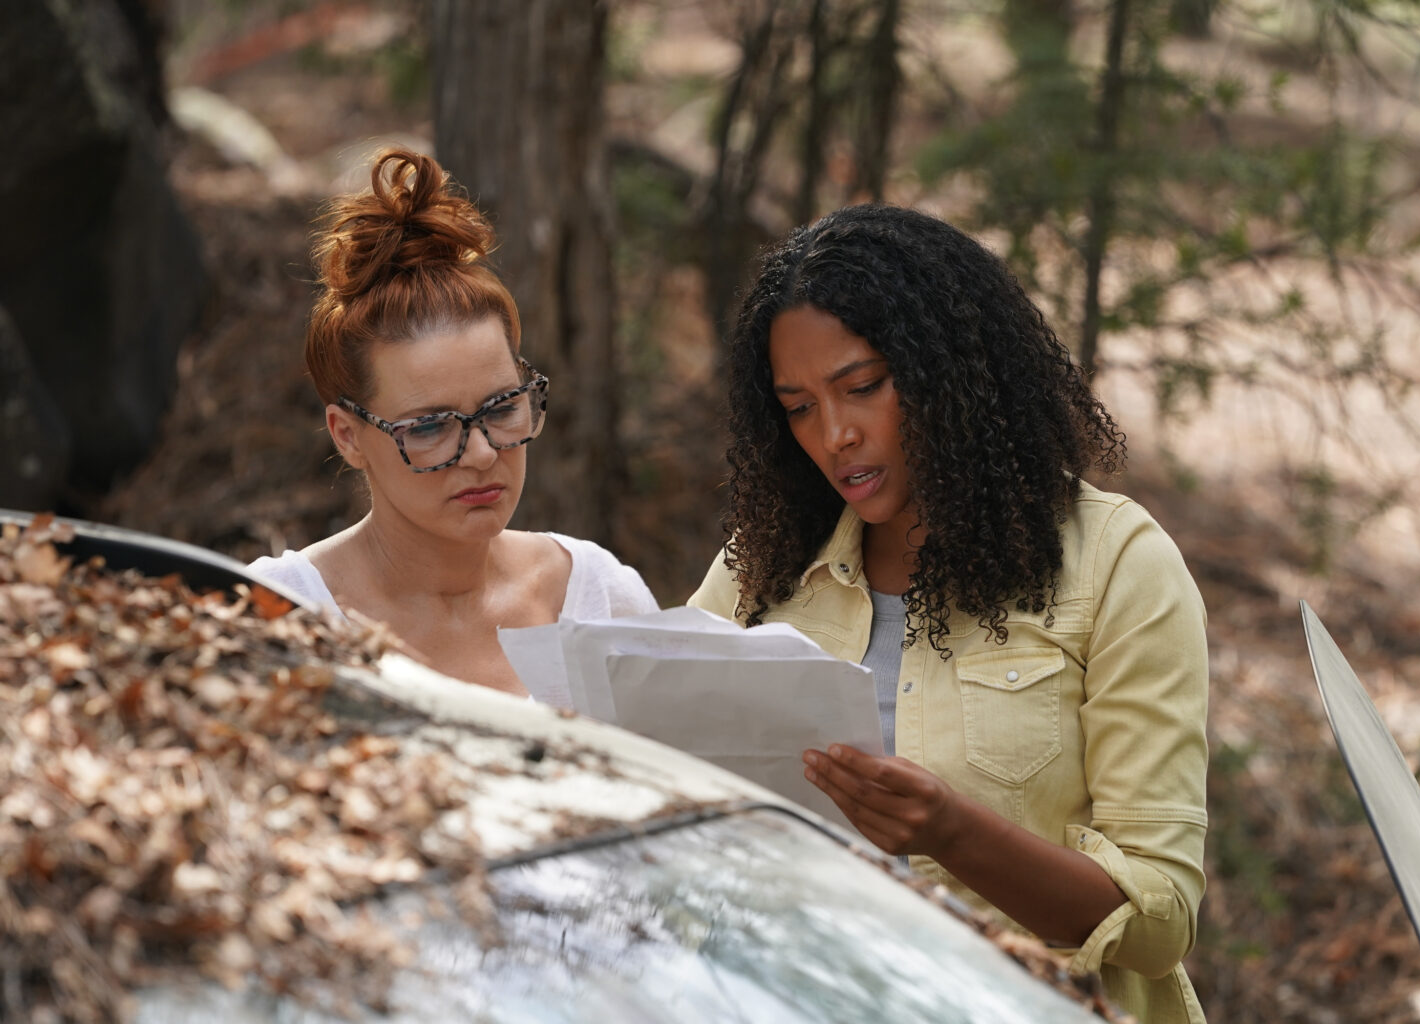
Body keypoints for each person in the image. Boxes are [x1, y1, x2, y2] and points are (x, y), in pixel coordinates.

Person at [689, 204, 1209, 1023]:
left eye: (862, 387)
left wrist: (951, 833)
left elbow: (1159, 921)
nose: (835, 435)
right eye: (798, 407)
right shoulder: (763, 567)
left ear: (951, 372)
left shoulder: (1116, 565)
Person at [251, 149, 656, 695]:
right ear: (348, 435)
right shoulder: (278, 615)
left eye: (502, 407)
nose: (483, 454)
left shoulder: (596, 597)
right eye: (429, 427)